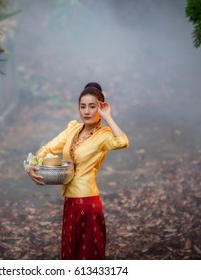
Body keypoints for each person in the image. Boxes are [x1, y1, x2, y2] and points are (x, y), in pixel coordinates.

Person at [25, 82, 129, 260]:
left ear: (100, 108)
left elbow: (123, 142)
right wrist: (31, 165)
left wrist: (108, 117)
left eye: (92, 106)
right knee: (70, 252)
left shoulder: (103, 135)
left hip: (88, 203)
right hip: (70, 202)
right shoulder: (73, 129)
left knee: (88, 254)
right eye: (82, 107)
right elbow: (48, 149)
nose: (86, 111)